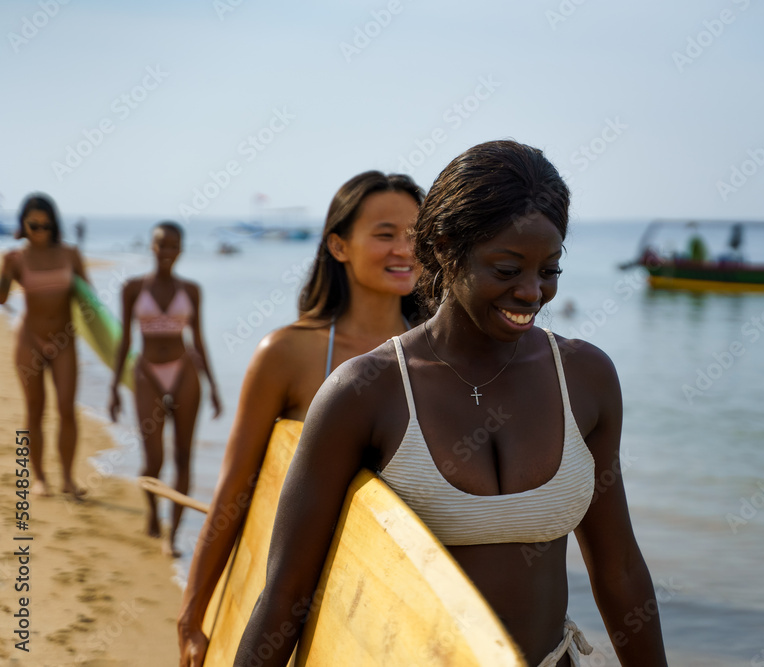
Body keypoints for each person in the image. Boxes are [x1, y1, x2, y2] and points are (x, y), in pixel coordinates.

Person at [235, 141, 669, 667]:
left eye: (549, 270)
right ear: (442, 247)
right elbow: (286, 594)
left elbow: (618, 568)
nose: (532, 293)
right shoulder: (365, 392)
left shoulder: (585, 377)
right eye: (507, 270)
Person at [177, 171, 423, 667]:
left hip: (395, 614)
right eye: (384, 234)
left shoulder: (437, 358)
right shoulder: (288, 353)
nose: (404, 249)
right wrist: (192, 617)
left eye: (416, 235)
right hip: (295, 610)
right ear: (338, 246)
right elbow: (235, 490)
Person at [109, 222, 223, 557]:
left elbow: (198, 339)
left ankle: (172, 535)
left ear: (181, 250)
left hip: (185, 372)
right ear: (152, 246)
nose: (167, 251)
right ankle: (152, 514)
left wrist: (214, 385)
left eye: (174, 245)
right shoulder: (132, 288)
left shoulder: (191, 290)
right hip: (147, 373)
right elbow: (125, 340)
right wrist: (114, 387)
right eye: (161, 244)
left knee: (184, 457)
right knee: (153, 459)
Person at [0, 193, 89, 498]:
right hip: (29, 340)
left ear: (54, 224)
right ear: (23, 225)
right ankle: (38, 478)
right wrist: (4, 269)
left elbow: (89, 302)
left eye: (45, 225)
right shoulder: (16, 257)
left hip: (63, 341)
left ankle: (67, 479)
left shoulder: (70, 254)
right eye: (33, 225)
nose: (39, 230)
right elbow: (1, 297)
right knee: (34, 410)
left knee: (66, 409)